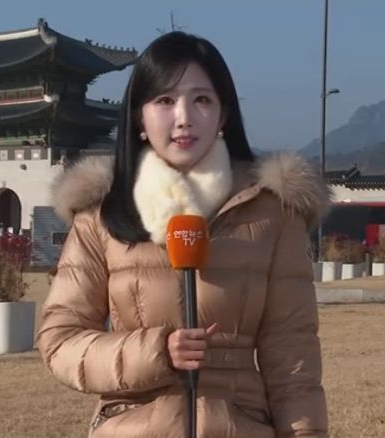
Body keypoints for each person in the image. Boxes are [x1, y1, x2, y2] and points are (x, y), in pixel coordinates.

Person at [37, 31, 330, 438]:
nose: (184, 117)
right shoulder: (100, 216)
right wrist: (155, 352)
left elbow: (293, 359)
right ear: (138, 117)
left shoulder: (273, 214)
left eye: (202, 100)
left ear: (223, 115)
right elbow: (60, 341)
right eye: (165, 100)